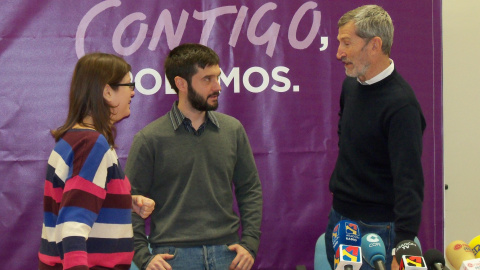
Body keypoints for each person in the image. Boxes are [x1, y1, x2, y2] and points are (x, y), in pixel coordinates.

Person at [125, 43, 263, 270]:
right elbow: (128, 200)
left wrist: (250, 244)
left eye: (217, 77)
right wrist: (143, 256)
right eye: (207, 79)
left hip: (227, 255)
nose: (217, 86)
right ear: (181, 83)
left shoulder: (233, 130)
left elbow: (250, 189)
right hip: (172, 258)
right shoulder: (150, 139)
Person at [325, 5, 426, 270]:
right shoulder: (351, 85)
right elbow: (345, 137)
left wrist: (403, 244)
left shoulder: (402, 106)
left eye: (347, 43)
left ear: (375, 45)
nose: (339, 53)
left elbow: (410, 180)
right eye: (339, 43)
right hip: (340, 219)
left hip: (380, 228)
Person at [38, 52, 155, 270]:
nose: (132, 92)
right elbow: (73, 224)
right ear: (108, 92)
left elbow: (76, 200)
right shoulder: (93, 144)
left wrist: (125, 202)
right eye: (129, 84)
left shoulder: (72, 140)